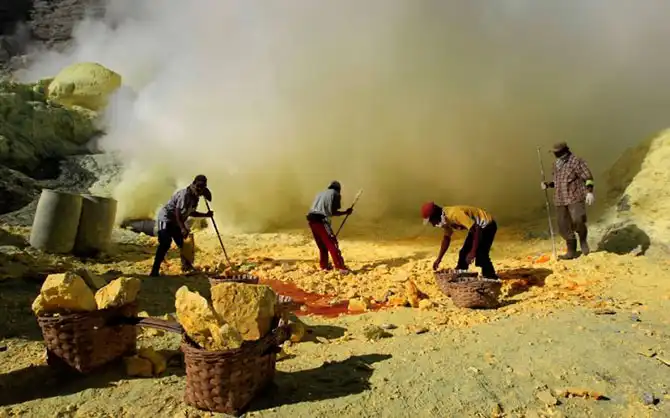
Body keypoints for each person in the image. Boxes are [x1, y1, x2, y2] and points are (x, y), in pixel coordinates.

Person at [150, 175, 213, 277]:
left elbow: (190, 212)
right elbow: (178, 212)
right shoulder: (185, 195)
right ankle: (155, 270)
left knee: (184, 244)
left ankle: (186, 266)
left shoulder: (195, 197)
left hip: (177, 222)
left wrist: (206, 215)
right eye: (198, 186)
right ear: (194, 184)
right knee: (165, 243)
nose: (200, 189)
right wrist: (182, 228)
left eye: (202, 187)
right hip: (166, 218)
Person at [541, 142, 595, 259]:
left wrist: (589, 192)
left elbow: (588, 178)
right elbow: (558, 182)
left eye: (556, 152)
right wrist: (548, 185)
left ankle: (583, 240)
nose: (555, 154)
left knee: (578, 220)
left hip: (574, 197)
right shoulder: (555, 165)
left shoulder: (576, 161)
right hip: (560, 200)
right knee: (563, 226)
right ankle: (571, 251)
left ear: (564, 151)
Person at [421, 202, 498, 279]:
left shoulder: (454, 214)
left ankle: (490, 276)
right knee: (463, 252)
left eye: (432, 221)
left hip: (487, 225)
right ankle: (462, 271)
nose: (433, 225)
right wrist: (439, 259)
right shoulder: (445, 219)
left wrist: (473, 251)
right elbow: (446, 239)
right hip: (475, 228)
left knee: (481, 253)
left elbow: (476, 229)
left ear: (436, 216)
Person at [306, 181, 353, 273]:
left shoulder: (320, 193)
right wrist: (346, 212)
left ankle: (324, 266)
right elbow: (333, 212)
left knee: (322, 245)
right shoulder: (335, 194)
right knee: (332, 243)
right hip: (321, 220)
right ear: (338, 189)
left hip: (311, 220)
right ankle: (341, 267)